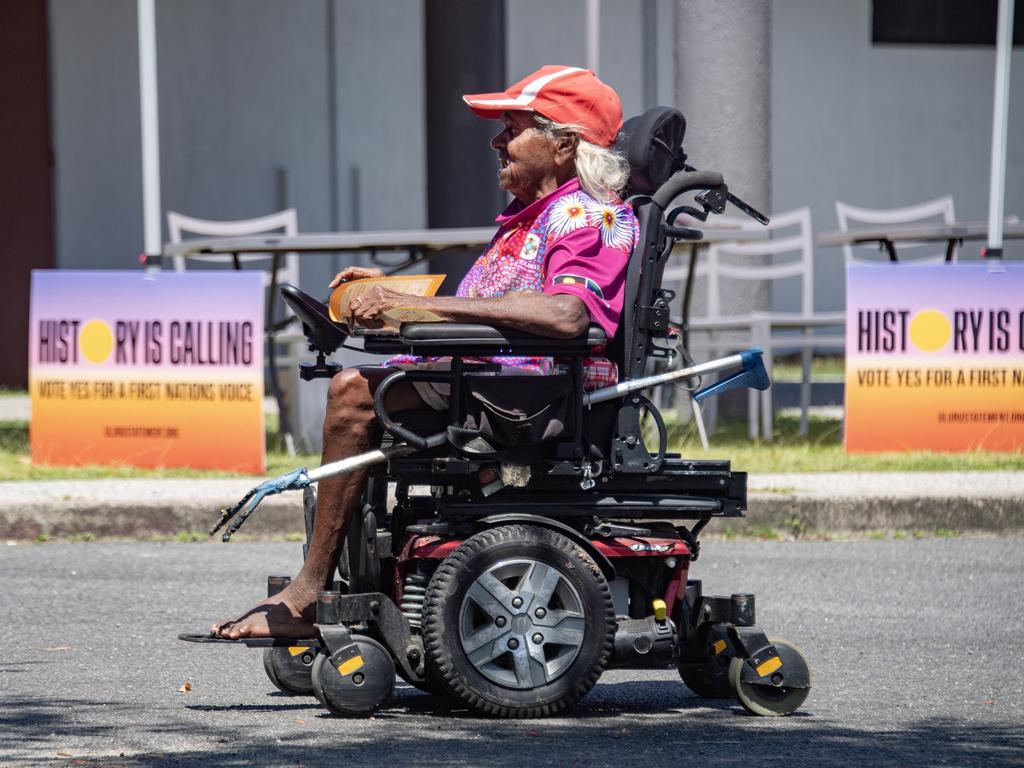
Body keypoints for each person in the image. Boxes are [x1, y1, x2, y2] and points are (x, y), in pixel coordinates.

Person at [212, 65, 640, 639]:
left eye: (511, 127)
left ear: (563, 145)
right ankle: (346, 582)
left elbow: (566, 315)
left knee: (353, 394)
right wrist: (397, 300)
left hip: (531, 395)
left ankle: (310, 591)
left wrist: (421, 310)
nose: (496, 141)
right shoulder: (535, 216)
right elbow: (490, 308)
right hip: (499, 380)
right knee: (365, 383)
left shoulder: (590, 214)